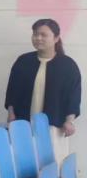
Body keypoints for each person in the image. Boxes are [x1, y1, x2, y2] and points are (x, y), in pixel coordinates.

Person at [5, 18, 81, 162]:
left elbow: (73, 96)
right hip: (24, 123)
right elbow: (12, 91)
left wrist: (69, 121)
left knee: (52, 163)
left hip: (54, 125)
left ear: (56, 38)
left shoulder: (68, 65)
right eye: (35, 34)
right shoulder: (23, 61)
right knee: (24, 162)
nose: (38, 38)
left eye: (43, 35)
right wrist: (11, 113)